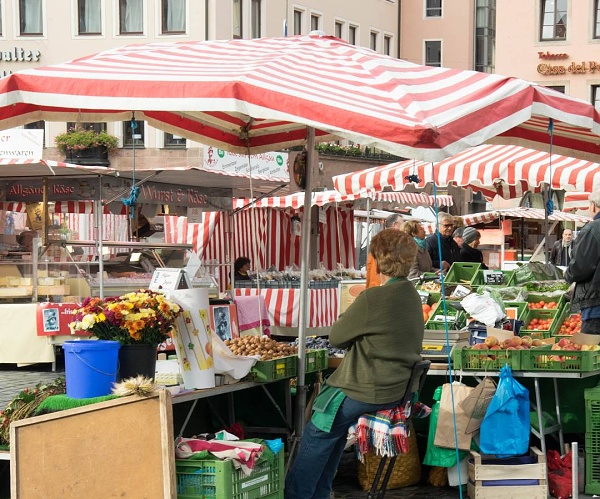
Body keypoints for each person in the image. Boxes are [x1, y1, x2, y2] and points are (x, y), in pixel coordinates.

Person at [285, 229, 424, 499]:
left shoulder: (372, 298)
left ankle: (297, 495)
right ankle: (320, 493)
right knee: (333, 433)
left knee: (318, 429)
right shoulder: (412, 294)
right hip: (397, 387)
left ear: (377, 260)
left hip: (369, 388)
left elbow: (337, 337)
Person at [565, 190, 600, 335]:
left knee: (592, 347)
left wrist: (567, 274)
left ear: (593, 206)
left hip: (596, 306)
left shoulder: (593, 229)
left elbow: (579, 268)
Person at [365, 213, 403, 288]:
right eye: (402, 225)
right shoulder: (389, 242)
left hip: (375, 286)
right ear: (395, 225)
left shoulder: (379, 239)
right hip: (383, 286)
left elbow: (369, 267)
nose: (403, 228)